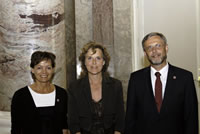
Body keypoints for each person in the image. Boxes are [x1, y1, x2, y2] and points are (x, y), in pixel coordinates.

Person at [124, 32, 199, 134]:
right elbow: (130, 118)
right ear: (145, 53)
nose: (154, 51)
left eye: (158, 46)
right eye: (149, 48)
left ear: (166, 48)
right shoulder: (136, 79)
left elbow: (191, 118)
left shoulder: (185, 78)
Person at [68, 41, 125, 134]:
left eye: (98, 58)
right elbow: (73, 122)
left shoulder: (115, 85)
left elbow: (120, 119)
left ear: (103, 62)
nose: (94, 62)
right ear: (84, 62)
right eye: (89, 58)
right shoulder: (74, 87)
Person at [11, 51, 69, 134]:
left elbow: (64, 127)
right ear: (32, 70)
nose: (44, 72)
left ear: (53, 70)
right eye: (39, 68)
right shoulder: (20, 96)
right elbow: (16, 129)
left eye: (48, 68)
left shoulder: (62, 94)